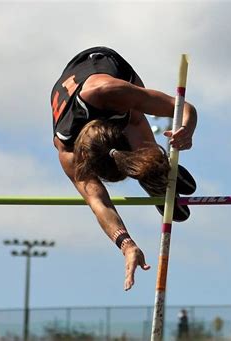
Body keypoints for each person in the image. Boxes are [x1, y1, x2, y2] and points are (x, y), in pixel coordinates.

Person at [51, 46, 197, 291]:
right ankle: (151, 172)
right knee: (138, 145)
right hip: (72, 90)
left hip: (104, 64)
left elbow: (183, 107)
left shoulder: (111, 92)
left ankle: (153, 169)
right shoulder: (67, 151)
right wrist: (126, 244)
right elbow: (99, 202)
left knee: (137, 117)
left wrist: (187, 130)